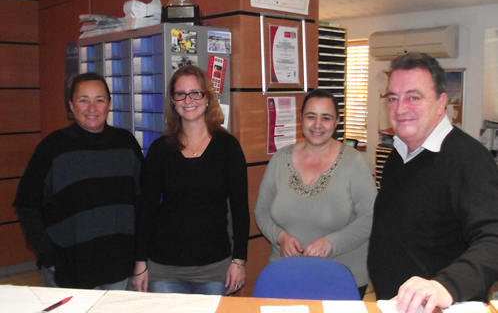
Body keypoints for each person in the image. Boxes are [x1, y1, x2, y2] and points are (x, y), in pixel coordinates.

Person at [367, 52, 498, 313]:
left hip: (443, 307)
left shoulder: (469, 160)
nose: (400, 108)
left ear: (440, 103)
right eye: (393, 98)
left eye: (413, 97)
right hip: (395, 304)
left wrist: (446, 286)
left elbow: (493, 238)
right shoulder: (398, 155)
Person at [13, 72, 143, 289]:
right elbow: (26, 204)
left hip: (119, 270)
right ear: (71, 105)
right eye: (84, 100)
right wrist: (48, 255)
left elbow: (142, 203)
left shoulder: (126, 144)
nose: (92, 108)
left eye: (99, 100)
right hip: (68, 271)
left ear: (109, 104)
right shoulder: (52, 148)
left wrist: (140, 256)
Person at [132, 65, 249, 296]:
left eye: (196, 92)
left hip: (214, 267)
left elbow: (240, 209)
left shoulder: (228, 147)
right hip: (165, 267)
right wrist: (139, 262)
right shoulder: (159, 150)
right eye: (180, 94)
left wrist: (239, 260)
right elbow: (146, 210)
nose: (188, 100)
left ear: (207, 98)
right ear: (173, 101)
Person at [254, 89, 377, 298]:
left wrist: (331, 243)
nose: (318, 125)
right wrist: (279, 237)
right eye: (311, 116)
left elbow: (371, 217)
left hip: (342, 277)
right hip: (286, 273)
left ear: (337, 121)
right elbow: (261, 210)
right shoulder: (279, 160)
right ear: (301, 118)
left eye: (326, 118)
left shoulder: (353, 162)